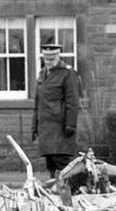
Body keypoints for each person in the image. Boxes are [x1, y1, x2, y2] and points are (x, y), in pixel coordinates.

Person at [31, 43, 80, 178]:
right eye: (46, 59)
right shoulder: (42, 74)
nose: (49, 62)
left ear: (58, 56)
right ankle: (56, 195)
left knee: (63, 168)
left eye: (52, 59)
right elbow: (38, 103)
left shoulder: (67, 73)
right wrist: (34, 127)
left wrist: (71, 124)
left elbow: (72, 101)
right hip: (45, 130)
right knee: (51, 166)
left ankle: (69, 196)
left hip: (60, 129)